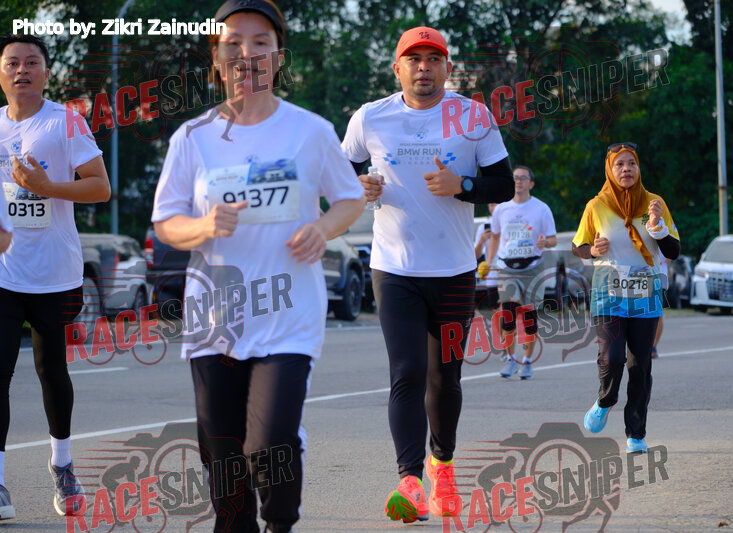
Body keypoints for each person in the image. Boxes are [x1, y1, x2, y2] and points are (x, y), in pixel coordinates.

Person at [151, 2, 364, 531]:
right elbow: (165, 223)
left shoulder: (310, 131)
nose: (247, 53)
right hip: (215, 317)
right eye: (233, 43)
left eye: (261, 42)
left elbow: (350, 198)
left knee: (268, 444)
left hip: (287, 313)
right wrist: (203, 226)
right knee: (222, 453)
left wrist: (322, 228)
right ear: (217, 59)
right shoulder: (193, 137)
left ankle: (280, 520)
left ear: (278, 57)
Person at [341, 26, 513, 523]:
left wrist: (463, 185)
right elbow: (337, 171)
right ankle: (410, 481)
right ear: (397, 68)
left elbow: (503, 185)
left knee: (446, 377)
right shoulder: (370, 117)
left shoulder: (474, 116)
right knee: (408, 372)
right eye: (413, 59)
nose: (423, 67)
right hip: (394, 269)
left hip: (455, 271)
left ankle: (443, 467)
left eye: (433, 59)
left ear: (447, 68)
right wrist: (359, 185)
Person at [0, 34, 110, 518]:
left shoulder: (66, 121)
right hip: (4, 271)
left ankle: (62, 464)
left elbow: (100, 188)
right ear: (0, 73)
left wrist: (46, 186)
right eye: (12, 63)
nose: (21, 70)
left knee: (51, 370)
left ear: (46, 72)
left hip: (54, 272)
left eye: (31, 62)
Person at [572, 142, 679, 454]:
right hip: (608, 292)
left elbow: (673, 250)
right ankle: (605, 400)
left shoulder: (655, 203)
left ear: (638, 168)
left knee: (640, 366)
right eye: (619, 164)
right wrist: (593, 250)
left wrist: (658, 229)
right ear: (610, 169)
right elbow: (579, 246)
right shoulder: (596, 206)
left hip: (645, 293)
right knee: (613, 357)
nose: (626, 169)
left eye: (631, 163)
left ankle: (636, 434)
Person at [486, 165, 556, 380]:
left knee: (529, 319)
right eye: (515, 177)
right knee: (507, 316)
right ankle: (510, 358)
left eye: (523, 178)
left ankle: (526, 361)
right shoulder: (501, 209)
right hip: (507, 268)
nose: (518, 181)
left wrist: (546, 242)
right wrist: (488, 263)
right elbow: (495, 237)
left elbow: (553, 239)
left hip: (533, 268)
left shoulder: (541, 209)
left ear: (531, 183)